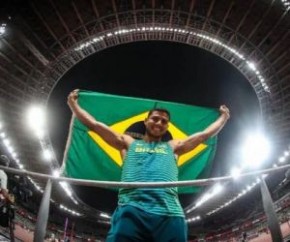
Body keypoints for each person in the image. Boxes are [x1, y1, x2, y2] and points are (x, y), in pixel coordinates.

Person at [67, 89, 230, 242]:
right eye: (155, 119)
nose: (159, 123)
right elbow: (95, 125)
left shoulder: (173, 146)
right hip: (131, 210)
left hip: (169, 213)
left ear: (167, 126)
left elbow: (204, 135)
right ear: (146, 121)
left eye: (164, 121)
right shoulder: (128, 143)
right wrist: (74, 105)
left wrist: (223, 118)